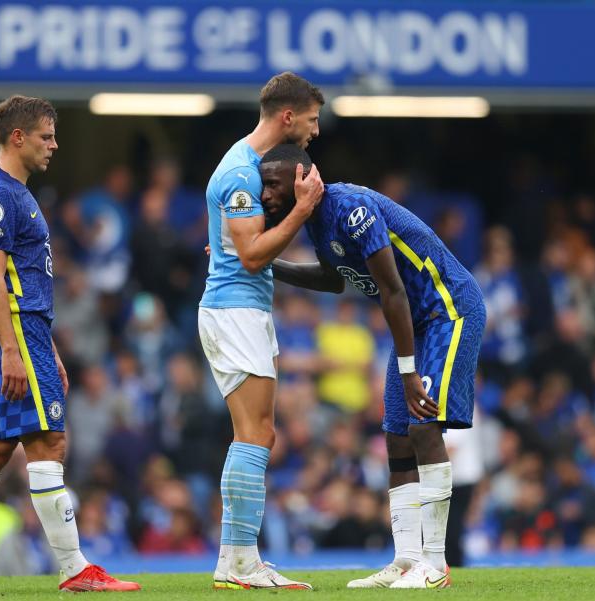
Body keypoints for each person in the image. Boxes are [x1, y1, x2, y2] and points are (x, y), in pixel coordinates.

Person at [0, 96, 139, 593]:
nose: (54, 146)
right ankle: (75, 568)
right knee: (49, 443)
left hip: (26, 331)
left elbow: (24, 281)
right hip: (13, 333)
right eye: (46, 136)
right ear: (18, 137)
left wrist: (49, 349)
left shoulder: (18, 192)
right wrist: (15, 350)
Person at [260, 144, 486, 589]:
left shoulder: (351, 209)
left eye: (273, 184)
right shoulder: (316, 220)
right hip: (419, 322)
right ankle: (405, 560)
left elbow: (394, 291)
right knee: (397, 438)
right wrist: (267, 264)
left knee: (423, 426)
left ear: (304, 178)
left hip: (449, 309)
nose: (266, 194)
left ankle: (435, 565)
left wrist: (405, 371)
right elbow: (332, 280)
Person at [198, 73, 324, 590]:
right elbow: (250, 256)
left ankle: (236, 560)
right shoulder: (239, 173)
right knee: (255, 435)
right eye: (313, 120)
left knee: (256, 434)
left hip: (242, 310)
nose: (315, 132)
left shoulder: (248, 167)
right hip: (235, 310)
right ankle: (242, 562)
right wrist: (302, 209)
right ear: (288, 117)